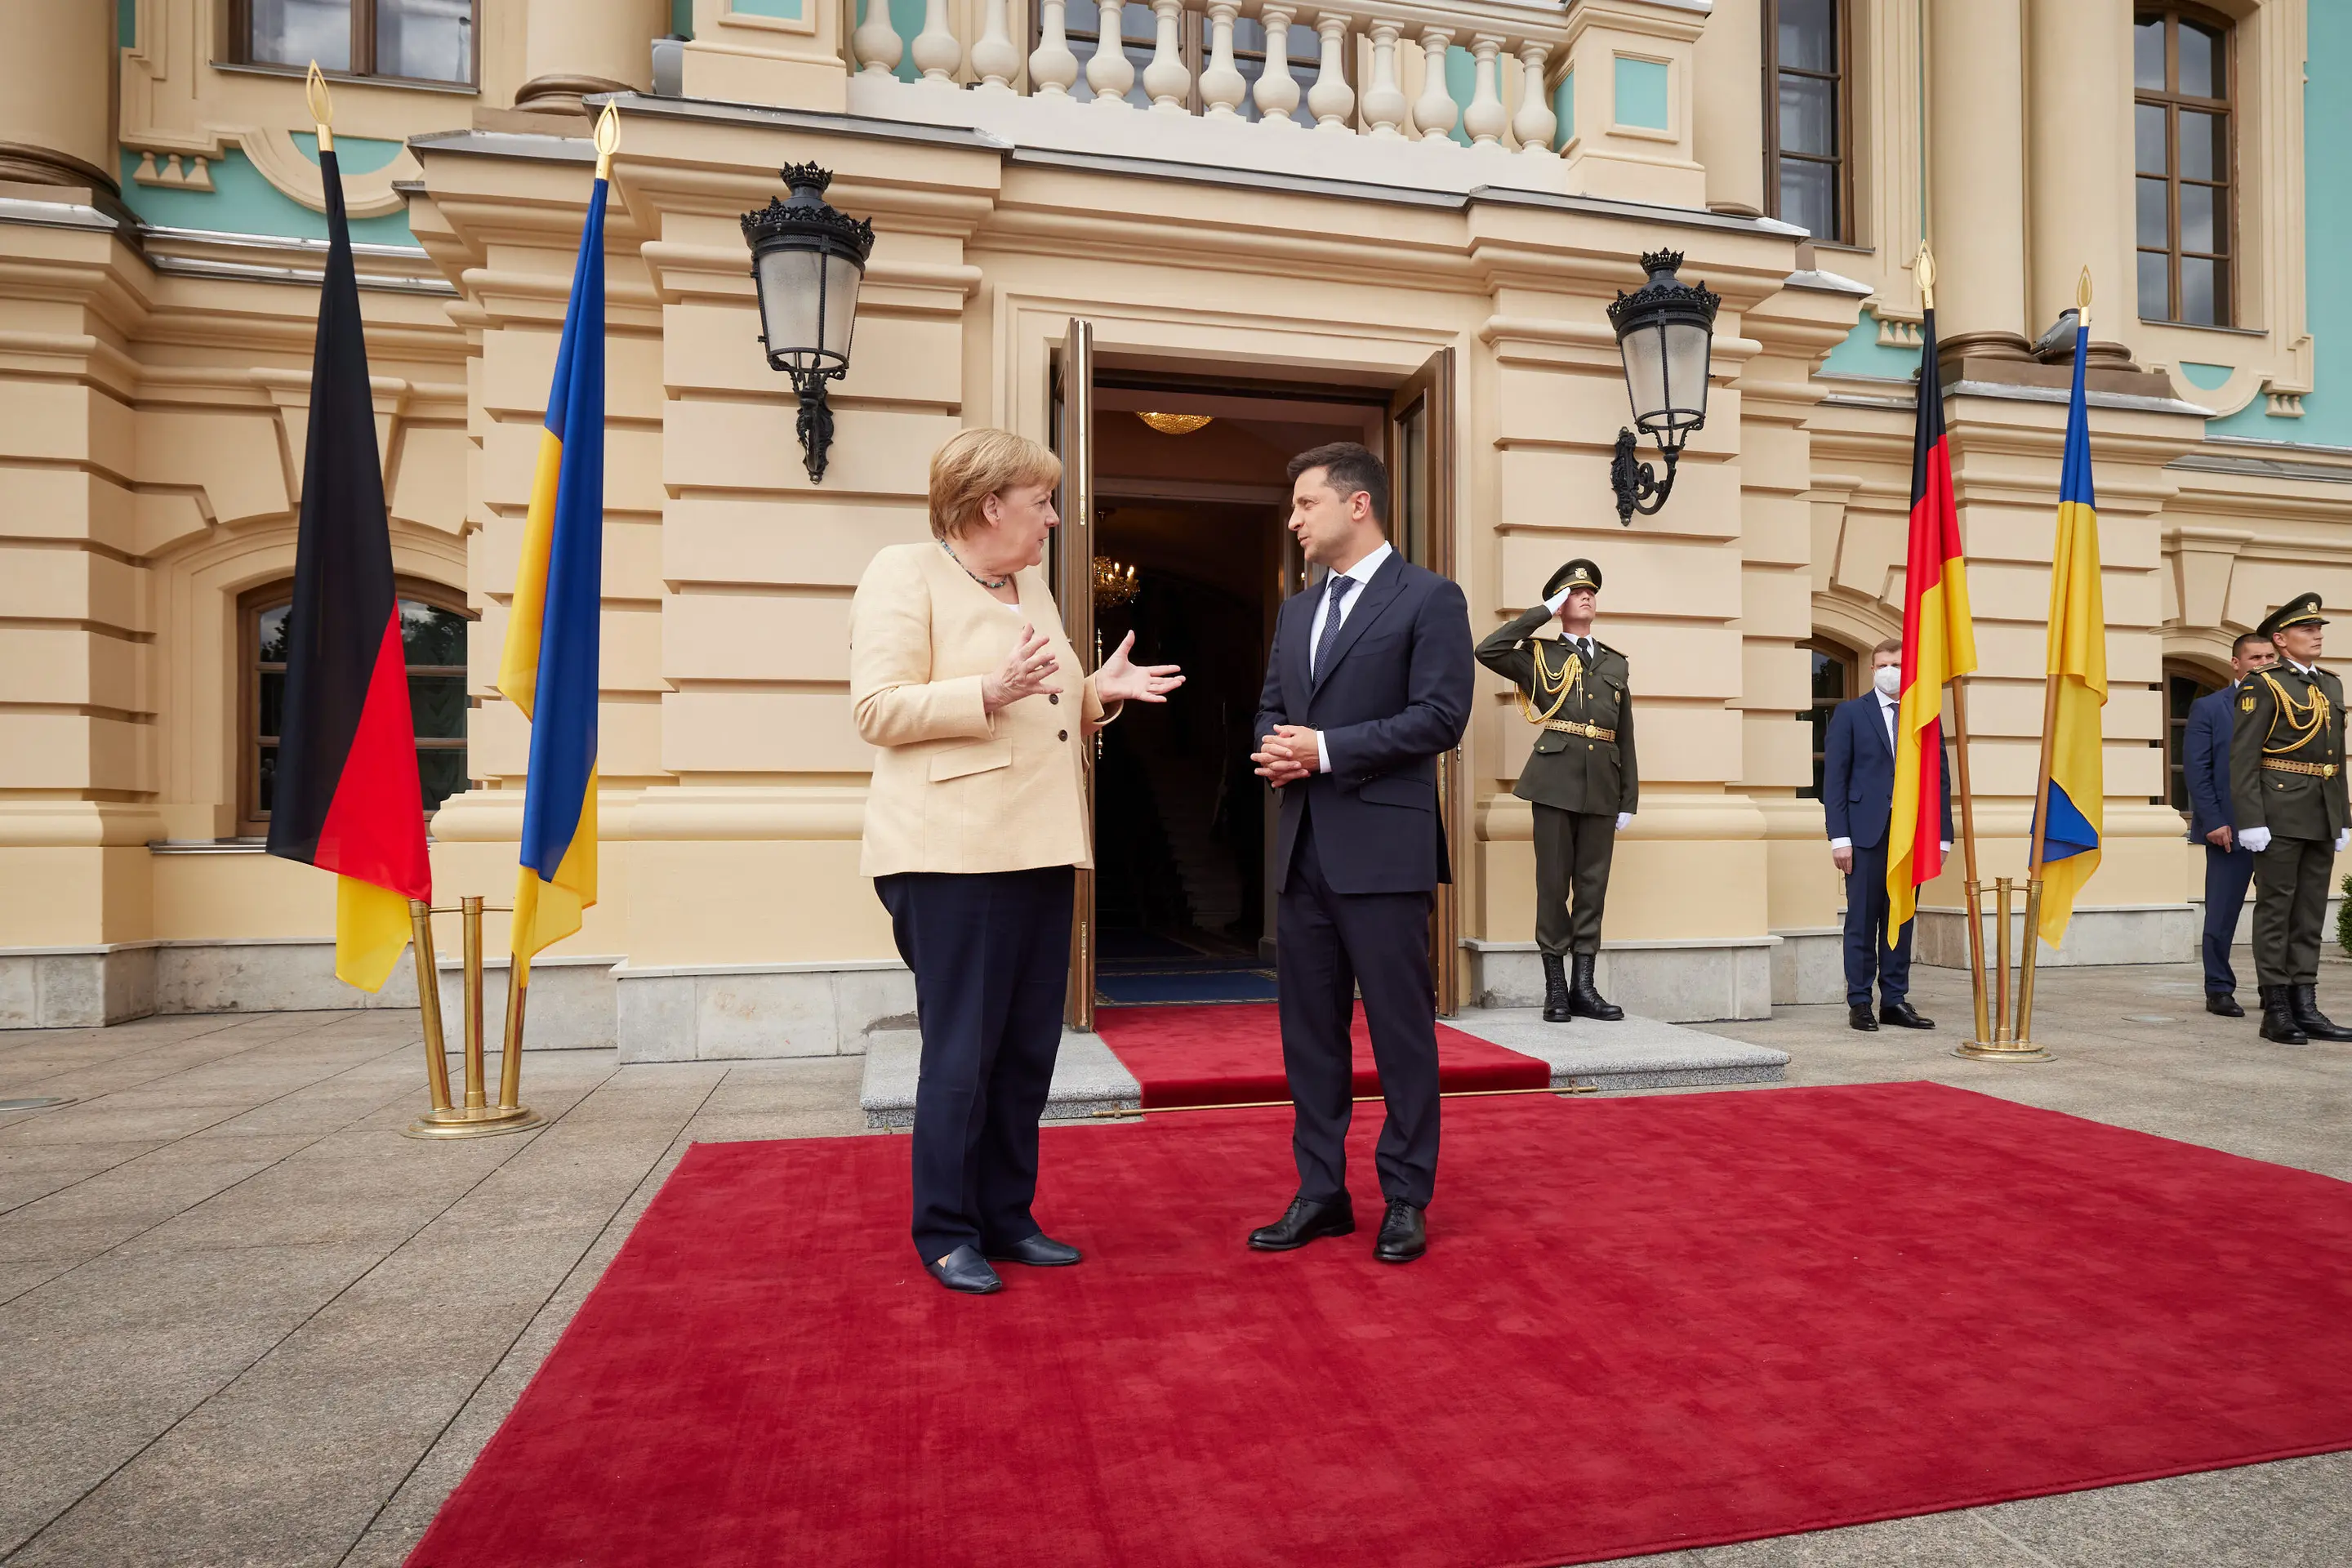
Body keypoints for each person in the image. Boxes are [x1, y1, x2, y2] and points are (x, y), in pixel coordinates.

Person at [850, 428, 1183, 1294]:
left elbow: (1049, 696)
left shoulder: (1029, 583)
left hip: (1040, 846)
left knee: (1027, 1048)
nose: (1055, 519)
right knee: (962, 1051)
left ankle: (1007, 1216)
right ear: (991, 504)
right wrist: (984, 693)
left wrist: (1095, 694)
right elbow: (878, 709)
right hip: (949, 852)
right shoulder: (903, 572)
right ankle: (946, 1231)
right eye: (1043, 503)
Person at [1247, 441, 1472, 1266]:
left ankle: (1406, 1196)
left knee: (1401, 1035)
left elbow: (1442, 717)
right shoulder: (1298, 610)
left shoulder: (1431, 599)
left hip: (1383, 853)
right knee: (1309, 1037)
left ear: (1357, 505)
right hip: (1301, 852)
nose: (1294, 519)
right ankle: (1322, 1194)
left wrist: (1326, 750)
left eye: (1305, 504)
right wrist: (1273, 749)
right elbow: (1271, 708)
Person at [1474, 559, 1637, 1023]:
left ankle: (1584, 988)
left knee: (1592, 886)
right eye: (1575, 592)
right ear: (1562, 603)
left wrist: (1629, 798)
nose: (1586, 596)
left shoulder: (1615, 663)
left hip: (1603, 786)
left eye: (1590, 591)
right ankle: (1556, 991)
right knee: (1552, 886)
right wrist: (1540, 613)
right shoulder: (1539, 655)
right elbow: (1488, 651)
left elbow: (1624, 734)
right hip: (1553, 782)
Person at [2230, 592, 2352, 1045]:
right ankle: (2276, 1008)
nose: (2316, 635)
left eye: (2319, 629)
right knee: (2276, 910)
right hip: (2278, 810)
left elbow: (2335, 757)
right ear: (2280, 639)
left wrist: (2341, 816)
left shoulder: (2332, 684)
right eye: (2307, 629)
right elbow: (2242, 758)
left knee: (2310, 911)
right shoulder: (2262, 685)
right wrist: (2250, 819)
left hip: (2321, 810)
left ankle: (2307, 1003)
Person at [1822, 637, 1951, 1033]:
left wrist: (1942, 836)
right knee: (1861, 919)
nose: (1890, 671)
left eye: (1897, 664)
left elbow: (1940, 779)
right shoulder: (1850, 714)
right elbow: (1835, 781)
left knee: (1901, 917)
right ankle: (1860, 1001)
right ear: (1873, 670)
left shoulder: (1924, 715)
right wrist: (1839, 838)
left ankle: (1894, 999)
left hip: (1909, 835)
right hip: (1863, 834)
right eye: (1882, 665)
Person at [2184, 631, 2277, 1017]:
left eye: (2270, 656)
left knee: (2277, 916)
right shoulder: (2210, 707)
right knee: (2222, 914)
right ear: (2236, 663)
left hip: (2279, 829)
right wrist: (2213, 821)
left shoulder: (2288, 706)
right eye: (2255, 657)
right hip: (2229, 831)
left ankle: (2275, 991)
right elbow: (2197, 769)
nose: (2264, 663)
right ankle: (2219, 989)